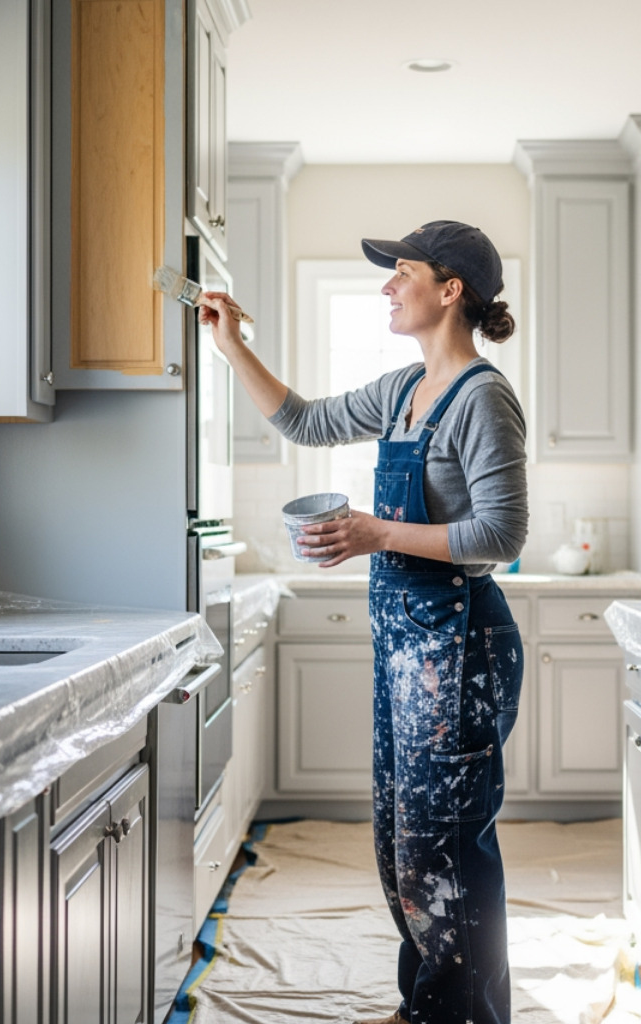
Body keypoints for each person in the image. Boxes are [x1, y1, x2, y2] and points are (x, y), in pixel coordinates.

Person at [199, 219, 528, 1024]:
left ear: (450, 290)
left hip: (460, 643)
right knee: (404, 844)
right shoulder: (404, 390)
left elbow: (501, 535)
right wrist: (231, 343)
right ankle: (427, 1005)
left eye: (402, 272)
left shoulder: (481, 399)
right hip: (409, 645)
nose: (388, 285)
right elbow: (306, 421)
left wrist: (375, 533)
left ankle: (462, 1016)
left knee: (445, 847)